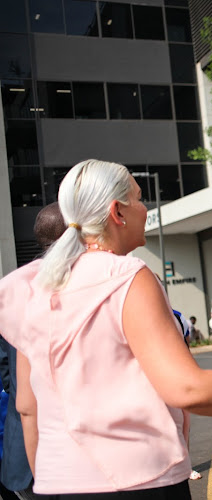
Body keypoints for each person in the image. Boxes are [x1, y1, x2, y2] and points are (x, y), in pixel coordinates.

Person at [0, 160, 212, 499]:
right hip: (138, 478)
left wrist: (50, 479)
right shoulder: (127, 277)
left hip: (58, 483)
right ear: (117, 212)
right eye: (139, 199)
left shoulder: (32, 287)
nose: (146, 210)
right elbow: (187, 388)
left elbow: (26, 406)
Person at [0, 202, 66, 499]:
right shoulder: (80, 284)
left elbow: (5, 370)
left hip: (22, 452)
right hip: (64, 450)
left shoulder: (15, 288)